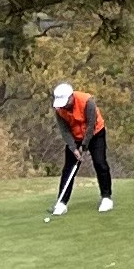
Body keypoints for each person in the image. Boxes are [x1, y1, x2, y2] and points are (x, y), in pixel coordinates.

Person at [47, 80, 114, 216]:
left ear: (71, 97)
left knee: (100, 163)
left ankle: (106, 197)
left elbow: (90, 125)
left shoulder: (87, 101)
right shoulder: (59, 109)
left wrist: (83, 146)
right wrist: (73, 148)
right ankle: (61, 203)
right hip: (74, 136)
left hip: (95, 133)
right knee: (68, 169)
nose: (64, 106)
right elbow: (64, 130)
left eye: (66, 102)